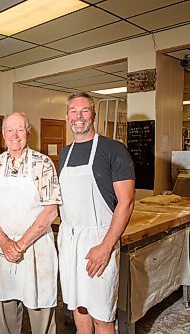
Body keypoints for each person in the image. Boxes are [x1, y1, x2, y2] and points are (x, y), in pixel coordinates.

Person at [58, 92, 135, 334]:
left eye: (84, 111)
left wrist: (106, 247)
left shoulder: (114, 150)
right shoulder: (65, 153)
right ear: (67, 116)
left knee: (102, 315)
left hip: (99, 238)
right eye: (73, 111)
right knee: (79, 309)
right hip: (69, 241)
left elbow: (126, 202)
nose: (78, 117)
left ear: (93, 114)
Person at [0, 112, 62, 334]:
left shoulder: (43, 164)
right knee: (6, 313)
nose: (15, 135)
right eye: (10, 130)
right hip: (2, 249)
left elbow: (50, 211)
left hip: (36, 250)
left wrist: (20, 245)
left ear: (28, 132)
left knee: (40, 313)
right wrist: (4, 242)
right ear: (3, 134)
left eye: (20, 129)